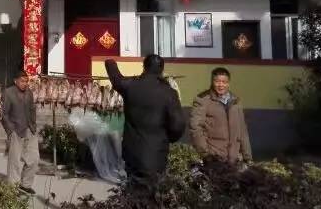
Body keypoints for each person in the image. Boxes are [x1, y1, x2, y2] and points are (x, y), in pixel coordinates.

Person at [105, 55, 186, 187]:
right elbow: (178, 124)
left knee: (133, 190)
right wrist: (167, 138)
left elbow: (116, 79)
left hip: (132, 153)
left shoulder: (131, 86)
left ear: (144, 67)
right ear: (162, 69)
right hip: (156, 153)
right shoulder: (169, 93)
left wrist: (110, 62)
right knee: (153, 192)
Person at [190, 67, 252, 164]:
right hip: (214, 158)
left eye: (224, 82)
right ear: (212, 82)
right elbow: (195, 128)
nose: (221, 85)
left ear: (228, 83)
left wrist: (247, 157)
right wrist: (205, 154)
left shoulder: (235, 102)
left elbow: (243, 131)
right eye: (217, 81)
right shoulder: (203, 100)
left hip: (234, 160)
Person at [1, 69, 39, 195]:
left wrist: (34, 125)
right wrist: (10, 130)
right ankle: (12, 188)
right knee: (15, 161)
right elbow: (3, 114)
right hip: (16, 130)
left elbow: (32, 109)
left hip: (30, 129)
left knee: (34, 158)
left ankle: (25, 185)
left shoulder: (29, 92)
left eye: (26, 81)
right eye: (22, 81)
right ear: (15, 81)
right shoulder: (8, 93)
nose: (25, 84)